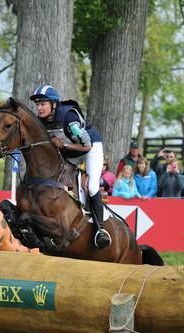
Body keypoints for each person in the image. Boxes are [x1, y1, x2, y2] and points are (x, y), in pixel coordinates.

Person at [30, 84, 111, 248]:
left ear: (53, 104)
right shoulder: (41, 121)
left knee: (93, 187)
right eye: (37, 104)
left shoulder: (69, 118)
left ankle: (100, 229)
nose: (39, 108)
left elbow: (86, 146)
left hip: (90, 147)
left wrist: (84, 169)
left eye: (42, 104)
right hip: (71, 151)